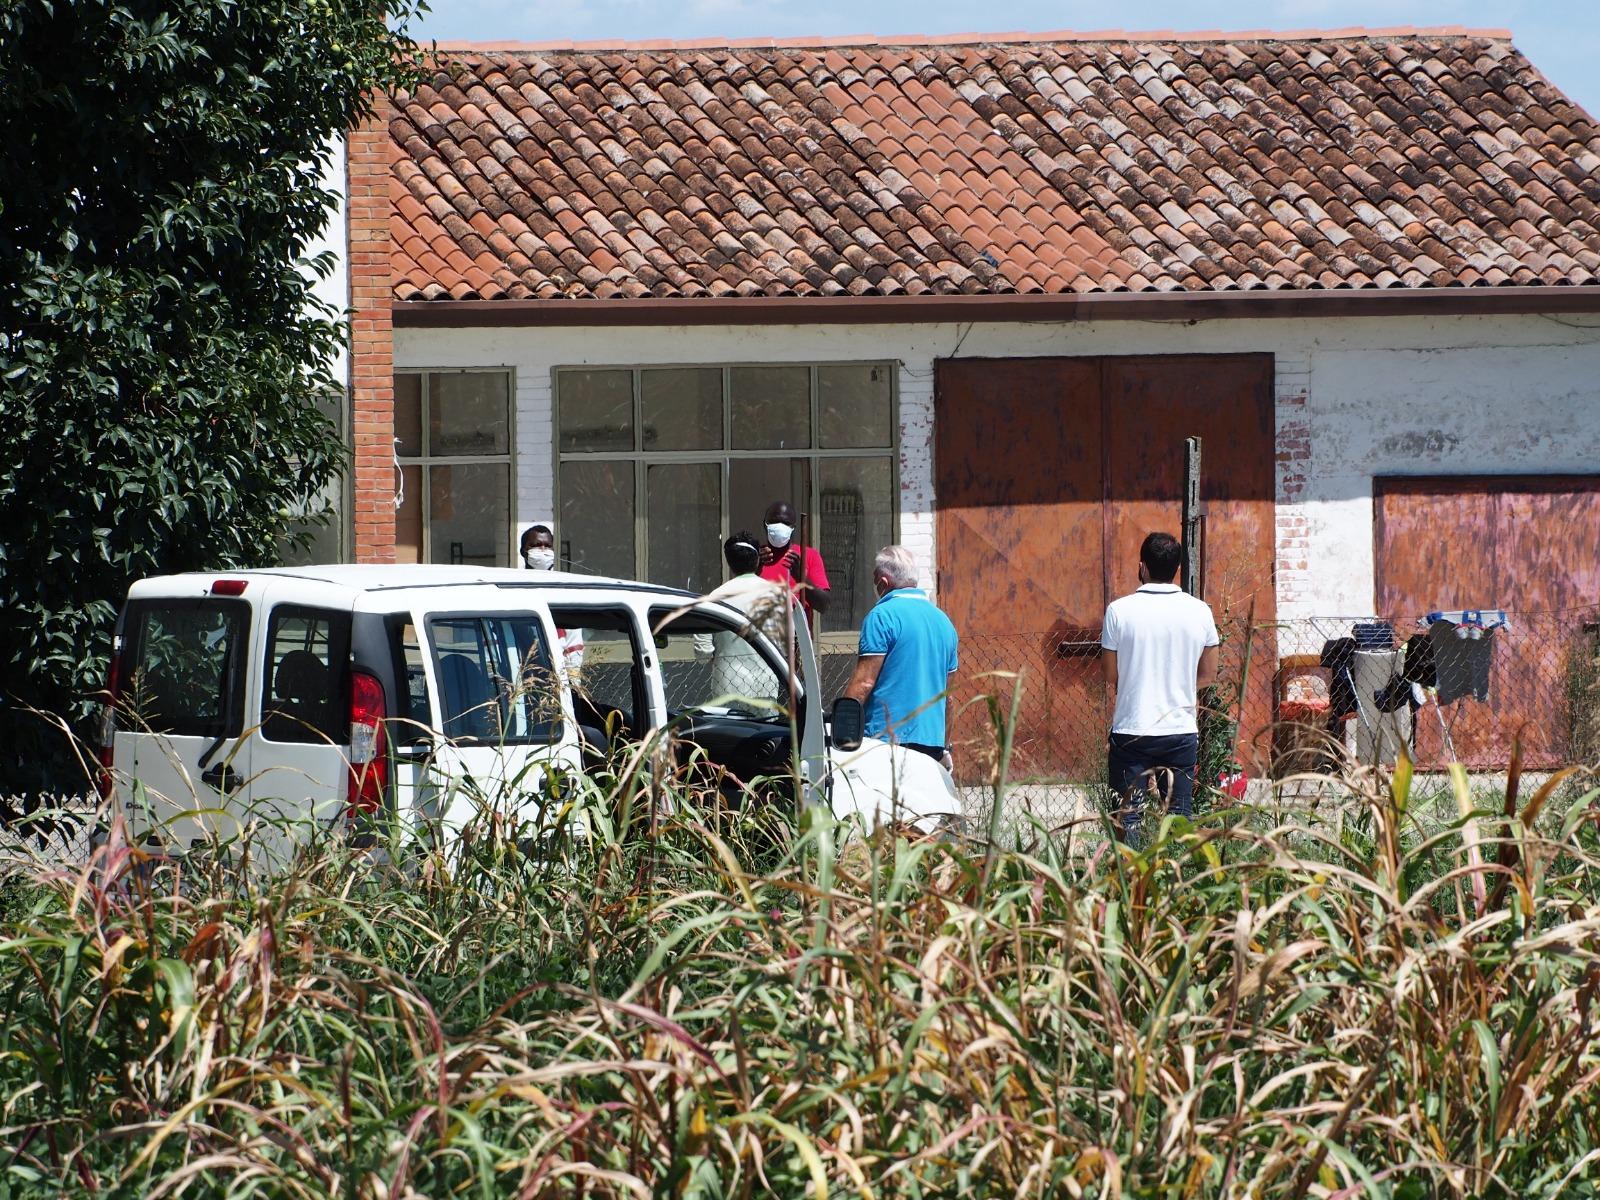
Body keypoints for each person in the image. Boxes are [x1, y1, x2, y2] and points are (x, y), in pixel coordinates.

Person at [1100, 532, 1220, 838]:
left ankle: (1129, 881)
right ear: (1177, 568)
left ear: (1142, 567)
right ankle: (1177, 879)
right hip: (1180, 732)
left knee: (1128, 820)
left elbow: (1111, 676)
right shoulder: (1200, 611)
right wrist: (1175, 683)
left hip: (1132, 731)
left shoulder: (1118, 611)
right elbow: (1208, 674)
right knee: (1179, 820)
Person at [842, 546, 958, 765]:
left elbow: (864, 683)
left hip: (885, 742)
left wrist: (842, 727)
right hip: (931, 743)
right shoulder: (944, 623)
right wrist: (944, 747)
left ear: (883, 582)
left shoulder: (881, 616)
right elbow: (948, 698)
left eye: (875, 580)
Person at [695, 532, 792, 705]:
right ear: (757, 561)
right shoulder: (777, 595)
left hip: (727, 689)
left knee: (731, 732)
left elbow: (702, 653)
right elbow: (787, 648)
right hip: (766, 687)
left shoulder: (715, 597)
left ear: (729, 562)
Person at [520, 524, 584, 674]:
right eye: (535, 545)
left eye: (547, 546)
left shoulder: (562, 592)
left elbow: (573, 644)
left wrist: (573, 684)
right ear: (523, 551)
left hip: (559, 676)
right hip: (521, 671)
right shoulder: (514, 589)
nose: (543, 550)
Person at [757, 500, 830, 617]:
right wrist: (754, 569)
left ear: (793, 528)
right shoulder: (757, 557)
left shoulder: (810, 556)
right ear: (765, 525)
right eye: (774, 522)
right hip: (761, 633)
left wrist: (801, 577)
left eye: (785, 523)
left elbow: (824, 605)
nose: (779, 527)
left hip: (796, 634)